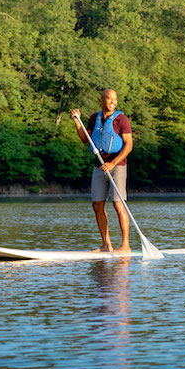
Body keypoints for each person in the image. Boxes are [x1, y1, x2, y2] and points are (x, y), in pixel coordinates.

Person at [71, 89, 133, 254]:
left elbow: (128, 145)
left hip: (117, 166)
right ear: (102, 100)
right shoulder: (94, 118)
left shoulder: (122, 119)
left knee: (118, 203)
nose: (112, 101)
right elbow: (85, 139)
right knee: (97, 204)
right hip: (98, 166)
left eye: (115, 98)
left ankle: (125, 245)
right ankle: (106, 245)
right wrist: (77, 121)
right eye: (109, 98)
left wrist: (113, 163)